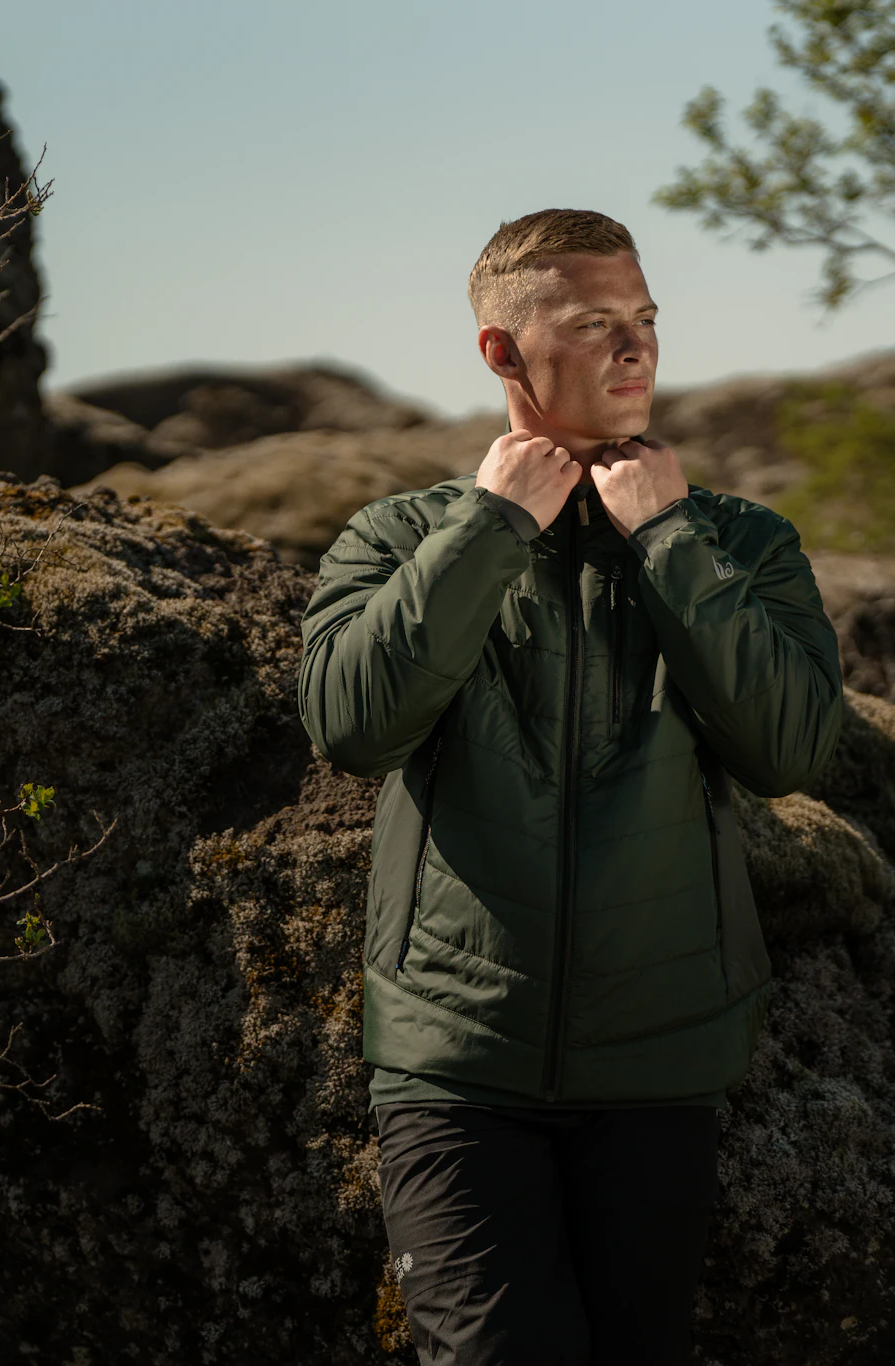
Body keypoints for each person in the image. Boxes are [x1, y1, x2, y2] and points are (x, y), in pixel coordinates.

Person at [297, 208, 843, 1364]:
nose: (635, 351)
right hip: (455, 1065)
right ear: (502, 353)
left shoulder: (740, 543)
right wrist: (491, 525)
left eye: (643, 321)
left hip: (660, 1064)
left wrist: (672, 544)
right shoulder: (399, 538)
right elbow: (351, 723)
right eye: (595, 325)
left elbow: (789, 749)